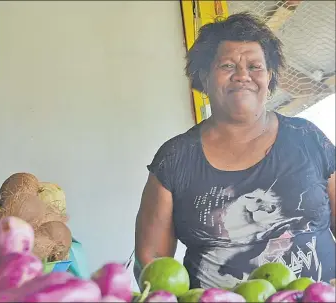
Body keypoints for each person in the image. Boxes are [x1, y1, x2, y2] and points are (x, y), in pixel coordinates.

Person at [134, 12, 336, 289]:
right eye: (227, 65)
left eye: (255, 66)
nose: (243, 76)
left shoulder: (308, 139)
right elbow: (152, 258)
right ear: (203, 77)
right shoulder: (175, 159)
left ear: (270, 77)